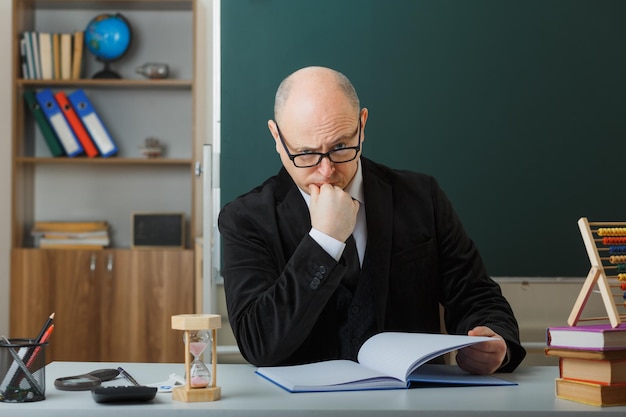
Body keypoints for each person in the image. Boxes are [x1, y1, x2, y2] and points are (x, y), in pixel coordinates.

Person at [218, 66, 526, 374]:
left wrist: (494, 339)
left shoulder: (421, 197)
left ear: (362, 126)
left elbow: (476, 295)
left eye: (340, 147)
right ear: (277, 137)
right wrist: (324, 241)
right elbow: (258, 342)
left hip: (413, 403)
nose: (326, 171)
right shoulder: (245, 219)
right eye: (306, 153)